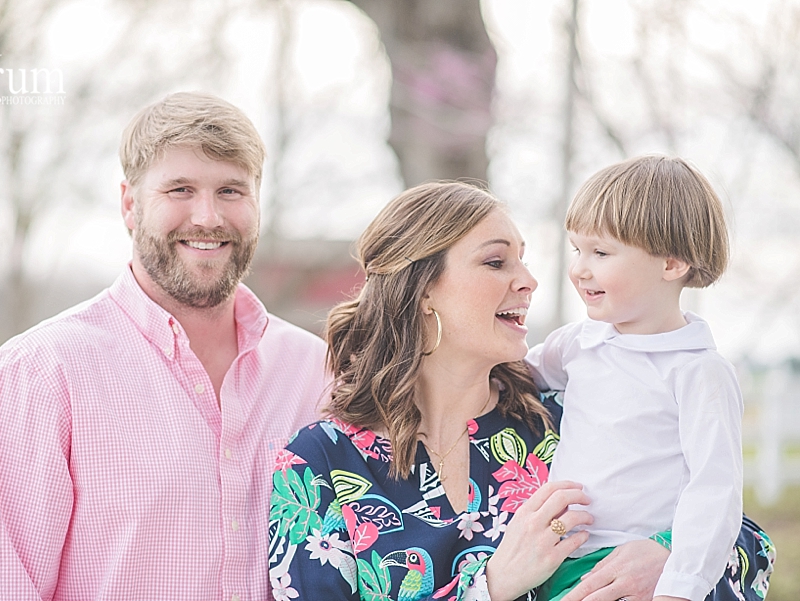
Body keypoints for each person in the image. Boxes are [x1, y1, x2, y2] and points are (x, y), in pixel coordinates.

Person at [267, 181, 775, 601]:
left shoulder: (566, 417)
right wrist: (491, 588)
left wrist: (663, 557)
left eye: (525, 261)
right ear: (422, 290)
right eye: (496, 262)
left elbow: (743, 538)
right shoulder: (319, 464)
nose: (530, 281)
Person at [0, 92, 329, 600]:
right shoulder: (40, 373)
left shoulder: (316, 371)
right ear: (129, 204)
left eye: (231, 190)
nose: (208, 216)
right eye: (180, 189)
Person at [526, 155, 772, 601]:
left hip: (636, 567)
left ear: (672, 264)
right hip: (556, 559)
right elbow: (512, 377)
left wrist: (679, 588)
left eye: (601, 253)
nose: (579, 269)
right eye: (577, 250)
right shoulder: (578, 343)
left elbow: (714, 490)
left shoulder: (699, 372)